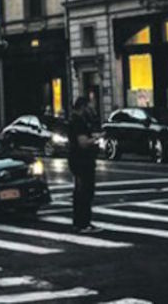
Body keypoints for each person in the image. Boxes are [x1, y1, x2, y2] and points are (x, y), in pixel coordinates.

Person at [68, 95, 99, 233]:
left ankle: (82, 222)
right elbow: (83, 143)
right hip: (82, 161)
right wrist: (97, 138)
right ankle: (82, 223)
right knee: (84, 192)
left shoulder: (76, 120)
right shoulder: (78, 122)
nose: (91, 108)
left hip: (78, 160)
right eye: (89, 106)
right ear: (83, 107)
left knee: (82, 192)